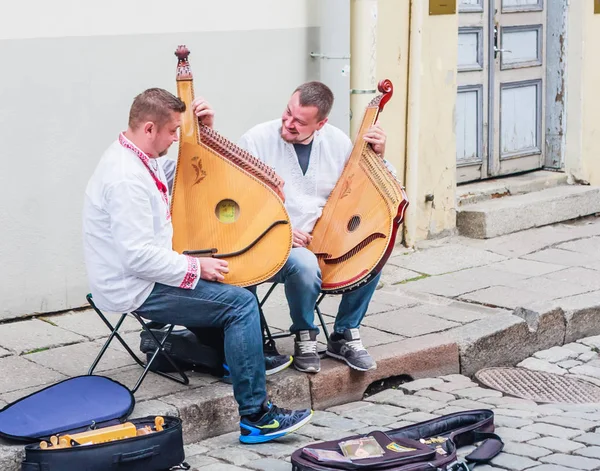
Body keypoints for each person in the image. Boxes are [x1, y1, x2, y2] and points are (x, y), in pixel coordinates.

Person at [82, 88, 312, 444]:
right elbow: (136, 256)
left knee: (236, 270)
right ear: (148, 128)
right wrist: (195, 267)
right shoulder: (125, 177)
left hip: (151, 272)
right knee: (240, 304)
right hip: (135, 285)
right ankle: (255, 416)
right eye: (174, 131)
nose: (177, 138)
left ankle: (235, 361)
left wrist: (202, 134)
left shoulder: (141, 156)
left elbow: (189, 175)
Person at [193, 81, 394, 374]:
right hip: (272, 244)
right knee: (304, 263)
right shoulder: (257, 140)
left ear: (321, 123)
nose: (288, 123)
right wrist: (282, 229)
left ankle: (344, 333)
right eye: (288, 113)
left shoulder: (336, 143)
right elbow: (234, 205)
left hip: (327, 240)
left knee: (375, 251)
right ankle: (304, 334)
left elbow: (363, 189)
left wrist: (377, 155)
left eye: (300, 122)